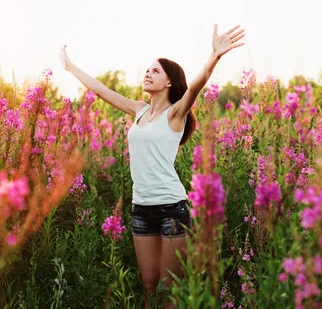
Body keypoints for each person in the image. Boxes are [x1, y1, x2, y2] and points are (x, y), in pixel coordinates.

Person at [59, 23, 245, 308]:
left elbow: (195, 86)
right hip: (141, 208)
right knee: (149, 285)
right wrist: (71, 67)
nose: (148, 73)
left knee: (169, 288)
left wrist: (214, 56)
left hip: (172, 209)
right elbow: (101, 90)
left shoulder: (176, 114)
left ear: (169, 82)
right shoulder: (139, 110)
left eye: (156, 70)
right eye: (147, 69)